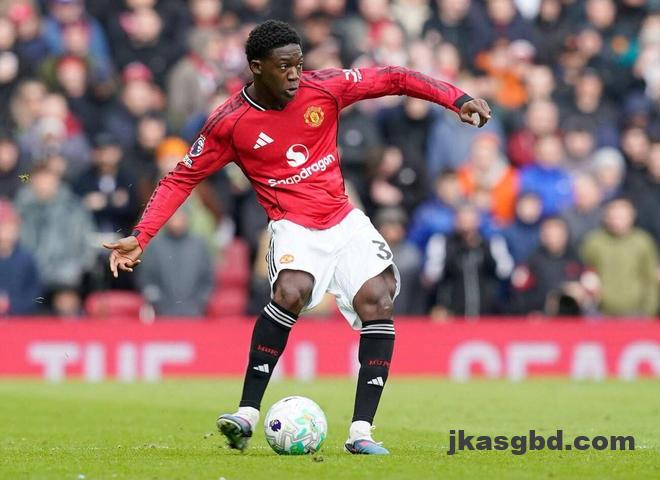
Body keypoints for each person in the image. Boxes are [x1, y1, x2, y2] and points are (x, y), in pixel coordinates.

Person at [104, 20, 490, 455]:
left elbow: (395, 78)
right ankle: (246, 414)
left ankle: (361, 432)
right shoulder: (230, 123)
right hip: (292, 225)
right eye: (284, 66)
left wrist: (456, 98)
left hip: (342, 218)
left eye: (298, 64)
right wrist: (142, 235)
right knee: (292, 290)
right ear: (256, 67)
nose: (294, 75)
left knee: (378, 299)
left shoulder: (324, 88)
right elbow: (181, 178)